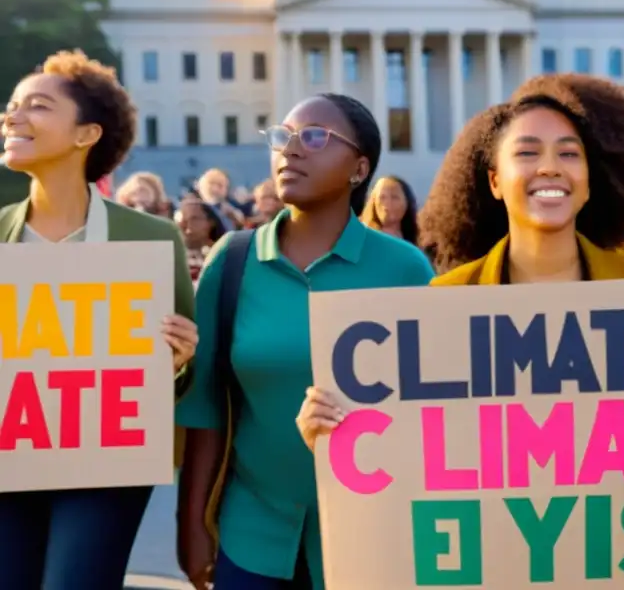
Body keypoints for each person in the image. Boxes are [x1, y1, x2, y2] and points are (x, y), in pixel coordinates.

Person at [297, 75, 624, 490]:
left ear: (588, 179)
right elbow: (413, 461)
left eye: (568, 153)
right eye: (527, 152)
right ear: (494, 181)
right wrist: (333, 435)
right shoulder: (446, 303)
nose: (549, 168)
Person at [175, 93, 435, 590]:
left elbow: (434, 410)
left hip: (375, 534)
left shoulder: (406, 269)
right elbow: (206, 408)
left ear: (359, 169)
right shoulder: (231, 262)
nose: (290, 150)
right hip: (251, 531)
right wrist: (191, 528)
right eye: (282, 136)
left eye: (314, 137)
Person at [0, 49, 198, 590]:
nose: (11, 116)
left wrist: (179, 360)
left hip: (105, 466)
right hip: (7, 460)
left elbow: (184, 380)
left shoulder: (153, 239)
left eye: (36, 106)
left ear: (86, 134)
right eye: (12, 105)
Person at [175, 195, 228, 284]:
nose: (183, 224)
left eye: (193, 218)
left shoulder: (226, 256)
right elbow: (146, 292)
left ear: (211, 222)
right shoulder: (166, 257)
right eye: (180, 219)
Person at [360, 174, 419, 244]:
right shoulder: (360, 237)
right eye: (382, 197)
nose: (387, 203)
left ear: (407, 202)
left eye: (394, 197)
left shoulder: (414, 241)